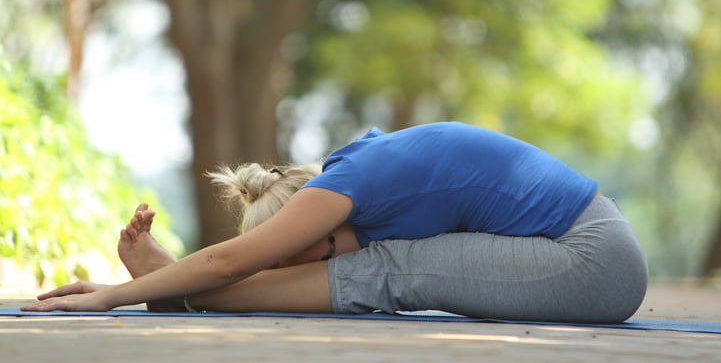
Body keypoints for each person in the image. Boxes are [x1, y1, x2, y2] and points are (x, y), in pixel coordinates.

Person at [22, 122, 648, 323]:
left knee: (390, 271)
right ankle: (178, 288)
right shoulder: (359, 167)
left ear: (308, 222)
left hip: (594, 261)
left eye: (316, 258)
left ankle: (178, 290)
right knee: (384, 265)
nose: (331, 265)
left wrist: (112, 297)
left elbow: (227, 261)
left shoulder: (343, 187)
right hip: (589, 244)